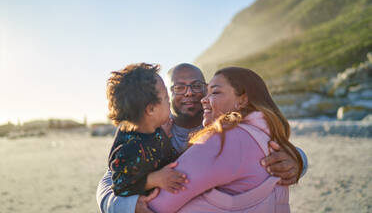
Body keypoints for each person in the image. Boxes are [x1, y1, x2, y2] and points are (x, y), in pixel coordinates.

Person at [96, 63, 308, 213]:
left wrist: (298, 159)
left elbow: (264, 146)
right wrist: (125, 206)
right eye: (179, 87)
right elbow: (113, 174)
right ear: (164, 96)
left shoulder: (223, 129)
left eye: (197, 86)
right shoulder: (145, 128)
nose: (189, 93)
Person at [106, 63, 187, 197]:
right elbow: (120, 186)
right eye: (166, 98)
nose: (169, 102)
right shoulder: (131, 148)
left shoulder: (155, 132)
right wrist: (154, 179)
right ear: (151, 109)